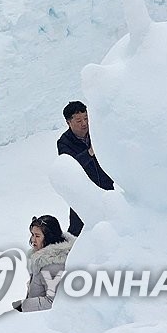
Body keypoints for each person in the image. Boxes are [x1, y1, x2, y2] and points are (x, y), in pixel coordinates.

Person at [56, 101, 115, 236]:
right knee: (78, 231)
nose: (84, 123)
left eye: (86, 118)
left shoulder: (97, 131)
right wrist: (89, 153)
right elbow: (70, 166)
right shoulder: (64, 142)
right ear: (68, 122)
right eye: (78, 120)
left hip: (106, 186)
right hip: (82, 193)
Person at [13, 215, 74, 312]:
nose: (33, 240)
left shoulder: (53, 266)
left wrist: (22, 306)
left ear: (49, 237)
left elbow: (52, 302)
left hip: (42, 321)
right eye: (32, 235)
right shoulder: (41, 260)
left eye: (37, 236)